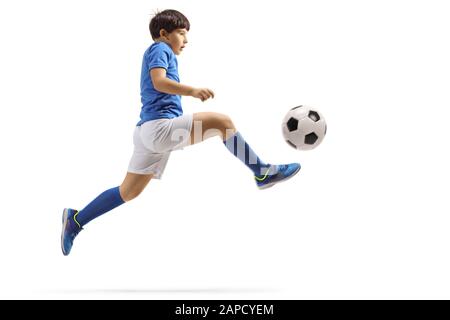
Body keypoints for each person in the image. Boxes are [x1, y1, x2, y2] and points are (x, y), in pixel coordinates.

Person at [61, 9, 300, 256]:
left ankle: (75, 220)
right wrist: (193, 91)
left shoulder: (160, 51)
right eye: (182, 33)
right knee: (222, 122)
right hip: (159, 129)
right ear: (164, 34)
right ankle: (262, 172)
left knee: (128, 192)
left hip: (147, 132)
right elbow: (159, 81)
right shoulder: (160, 49)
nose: (186, 40)